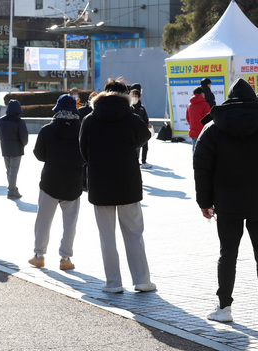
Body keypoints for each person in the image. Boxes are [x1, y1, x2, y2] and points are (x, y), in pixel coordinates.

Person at [193, 79, 258, 323]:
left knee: (227, 253)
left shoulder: (213, 128)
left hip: (227, 201)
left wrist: (204, 202)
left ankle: (224, 307)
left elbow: (201, 166)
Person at [79, 77, 155, 294]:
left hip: (100, 184)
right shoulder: (131, 119)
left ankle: (113, 283)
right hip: (128, 183)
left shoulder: (90, 120)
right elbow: (143, 138)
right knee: (134, 234)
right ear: (127, 95)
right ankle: (142, 281)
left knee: (107, 237)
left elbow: (83, 152)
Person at [29, 94, 84, 271]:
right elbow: (87, 156)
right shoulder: (82, 130)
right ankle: (65, 259)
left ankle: (39, 256)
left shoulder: (47, 130)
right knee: (70, 224)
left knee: (43, 221)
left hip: (50, 181)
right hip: (74, 182)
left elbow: (39, 155)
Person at [0, 99, 28, 199]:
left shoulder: (1, 120)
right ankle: (12, 190)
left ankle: (12, 188)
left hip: (5, 148)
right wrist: (23, 144)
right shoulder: (19, 122)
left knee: (9, 170)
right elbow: (24, 137)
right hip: (16, 149)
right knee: (13, 171)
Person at [130, 88, 152, 169]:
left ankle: (144, 161)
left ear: (139, 98)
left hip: (142, 130)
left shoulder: (142, 108)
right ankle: (136, 161)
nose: (134, 98)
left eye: (136, 96)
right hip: (133, 131)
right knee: (136, 148)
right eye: (133, 96)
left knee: (145, 146)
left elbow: (146, 119)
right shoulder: (129, 108)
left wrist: (147, 125)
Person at [185, 86, 211, 152]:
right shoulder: (205, 105)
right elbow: (208, 119)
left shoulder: (189, 105)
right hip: (203, 131)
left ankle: (195, 161)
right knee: (205, 149)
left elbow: (187, 118)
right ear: (202, 94)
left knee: (194, 148)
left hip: (193, 130)